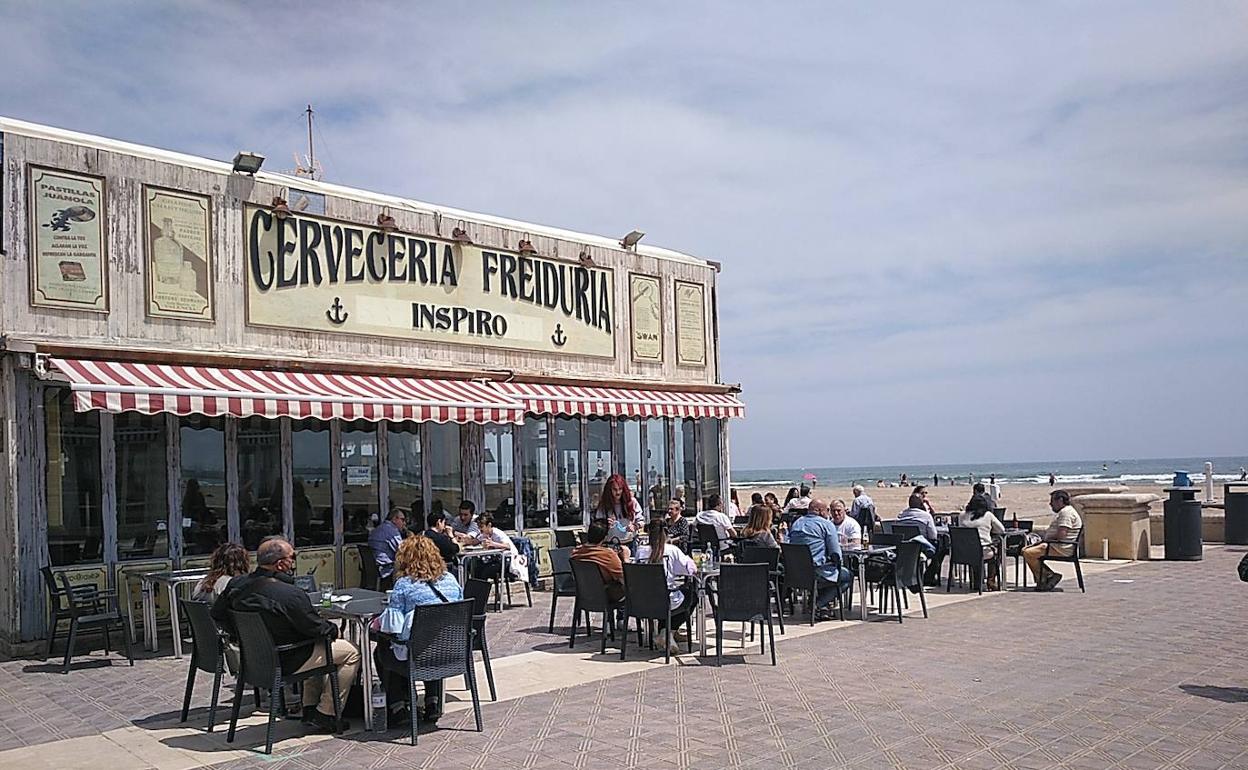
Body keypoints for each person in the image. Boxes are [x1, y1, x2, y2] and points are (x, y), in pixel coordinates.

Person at [212, 537, 359, 732]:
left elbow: (217, 614)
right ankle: (326, 712)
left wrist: (240, 636)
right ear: (280, 564)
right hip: (287, 660)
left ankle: (310, 709)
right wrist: (334, 630)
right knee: (351, 651)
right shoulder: (289, 594)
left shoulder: (236, 585)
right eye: (292, 557)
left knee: (317, 644)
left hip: (253, 659)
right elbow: (316, 628)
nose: (294, 562)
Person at [373, 536, 462, 725]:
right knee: (433, 638)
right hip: (451, 653)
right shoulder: (451, 580)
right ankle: (433, 701)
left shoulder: (404, 585)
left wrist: (377, 624)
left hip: (418, 656)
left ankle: (398, 705)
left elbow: (392, 626)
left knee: (383, 648)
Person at [633, 520, 697, 654]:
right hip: (666, 600)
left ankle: (666, 633)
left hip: (643, 600)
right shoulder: (672, 550)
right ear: (666, 533)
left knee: (664, 595)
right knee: (692, 596)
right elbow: (690, 569)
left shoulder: (640, 551)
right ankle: (668, 632)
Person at [787, 499, 853, 620]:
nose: (828, 513)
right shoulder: (826, 525)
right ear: (820, 511)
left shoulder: (796, 523)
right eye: (827, 510)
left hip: (796, 573)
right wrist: (836, 562)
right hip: (817, 572)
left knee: (830, 571)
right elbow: (836, 553)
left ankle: (823, 607)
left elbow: (788, 542)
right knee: (847, 577)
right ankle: (818, 604)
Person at [1023, 490, 1083, 591]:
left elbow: (1061, 535)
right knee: (1026, 549)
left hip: (1061, 548)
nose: (1050, 504)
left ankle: (1046, 577)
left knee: (1028, 552)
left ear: (1060, 500)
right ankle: (1046, 577)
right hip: (1056, 545)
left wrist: (1046, 540)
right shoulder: (1066, 512)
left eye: (1052, 501)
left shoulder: (1066, 513)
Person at [957, 493, 1005, 591]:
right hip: (982, 551)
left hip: (963, 552)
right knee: (997, 549)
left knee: (974, 548)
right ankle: (991, 581)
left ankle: (976, 581)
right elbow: (1001, 529)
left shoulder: (962, 515)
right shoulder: (988, 515)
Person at [897, 492, 946, 586]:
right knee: (942, 548)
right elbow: (933, 536)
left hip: (904, 547)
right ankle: (929, 577)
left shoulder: (902, 515)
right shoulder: (926, 516)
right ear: (921, 504)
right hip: (921, 547)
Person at [571, 521, 626, 602]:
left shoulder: (576, 552)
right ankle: (622, 614)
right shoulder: (608, 554)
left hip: (584, 593)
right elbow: (623, 575)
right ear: (604, 537)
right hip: (606, 594)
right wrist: (625, 558)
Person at [593, 473, 644, 544]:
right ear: (609, 490)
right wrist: (605, 524)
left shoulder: (632, 502)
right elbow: (597, 526)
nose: (618, 492)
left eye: (620, 489)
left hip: (629, 543)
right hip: (610, 544)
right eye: (615, 489)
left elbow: (641, 521)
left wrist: (635, 526)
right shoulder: (603, 505)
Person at [477, 514, 528, 581]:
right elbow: (475, 541)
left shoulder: (497, 533)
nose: (480, 529)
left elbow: (507, 546)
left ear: (489, 525)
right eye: (478, 527)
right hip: (498, 560)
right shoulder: (484, 534)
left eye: (481, 527)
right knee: (477, 568)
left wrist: (493, 544)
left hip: (509, 561)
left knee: (485, 571)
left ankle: (483, 590)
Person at [368, 505, 408, 590]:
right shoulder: (391, 530)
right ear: (394, 519)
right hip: (387, 568)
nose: (404, 523)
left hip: (376, 566)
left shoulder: (379, 528)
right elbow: (402, 550)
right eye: (402, 520)